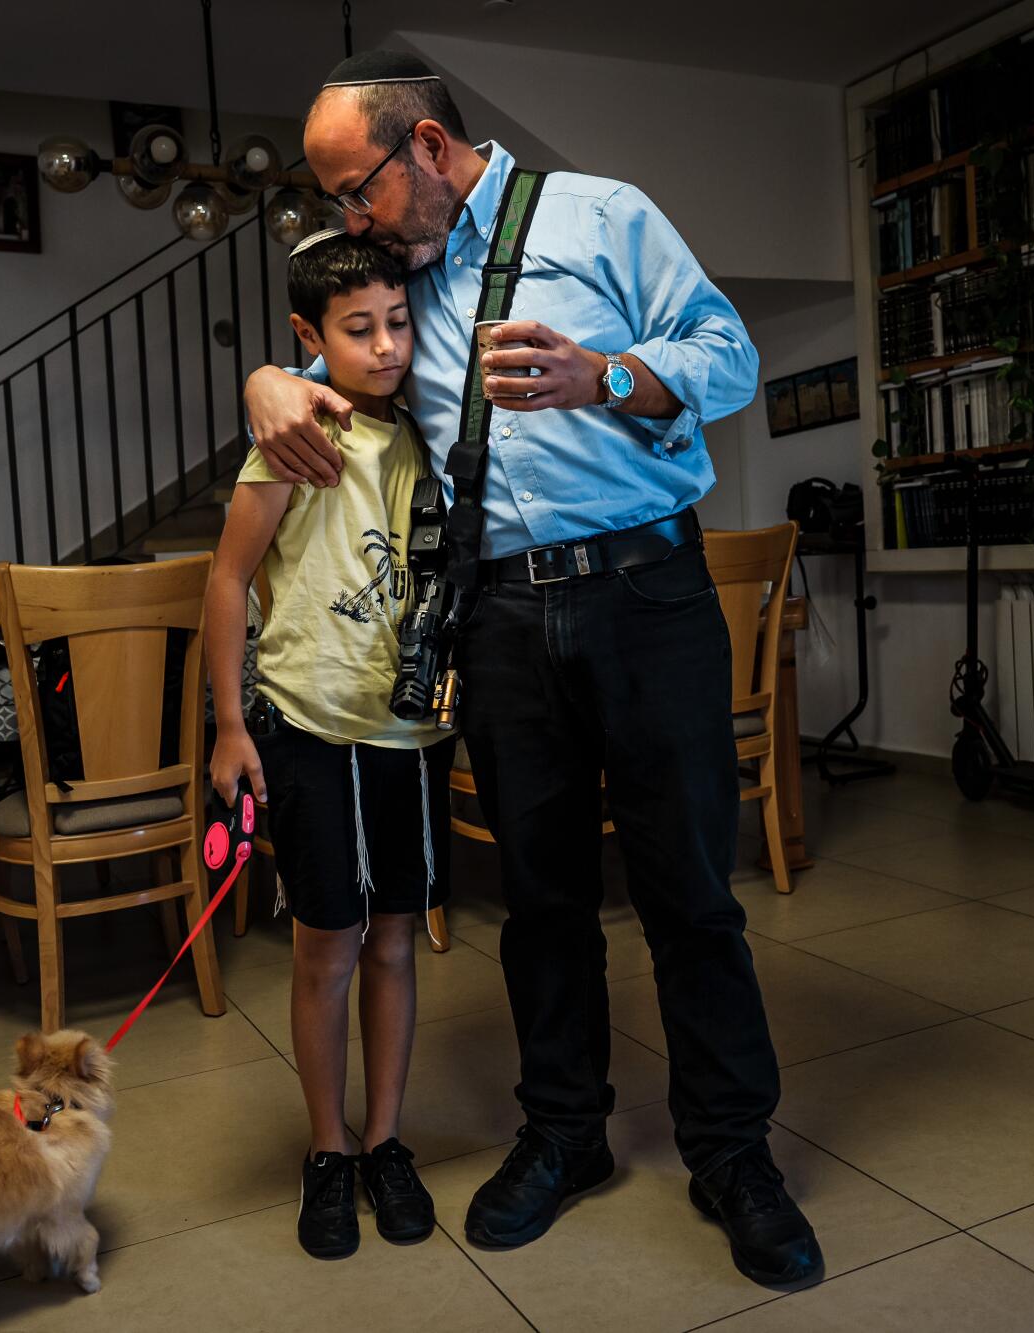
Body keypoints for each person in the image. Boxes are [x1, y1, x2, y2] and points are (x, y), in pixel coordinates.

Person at [242, 51, 822, 1288]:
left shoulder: (601, 214)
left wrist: (607, 377)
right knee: (541, 903)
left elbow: (726, 352)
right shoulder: (399, 277)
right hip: (499, 620)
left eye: (356, 191)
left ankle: (732, 1152)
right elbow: (337, 362)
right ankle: (565, 1133)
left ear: (431, 152)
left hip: (646, 596)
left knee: (688, 897)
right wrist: (265, 384)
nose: (348, 220)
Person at [206, 227, 456, 1261]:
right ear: (311, 337)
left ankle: (386, 1139)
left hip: (412, 731)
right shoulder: (295, 435)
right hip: (310, 725)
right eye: (359, 329)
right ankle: (326, 1149)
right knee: (327, 948)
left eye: (399, 322)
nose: (387, 346)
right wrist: (228, 725)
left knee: (396, 937)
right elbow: (224, 581)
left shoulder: (430, 436)